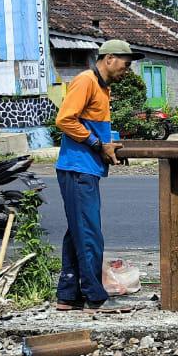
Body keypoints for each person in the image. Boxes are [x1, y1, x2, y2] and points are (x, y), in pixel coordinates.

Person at [54, 39, 135, 313]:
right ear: (109, 58)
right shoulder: (86, 81)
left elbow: (93, 126)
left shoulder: (103, 87)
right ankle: (94, 297)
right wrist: (97, 145)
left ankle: (67, 295)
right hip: (78, 168)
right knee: (89, 233)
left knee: (76, 231)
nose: (127, 71)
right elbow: (65, 120)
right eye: (125, 65)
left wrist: (107, 147)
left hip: (84, 166)